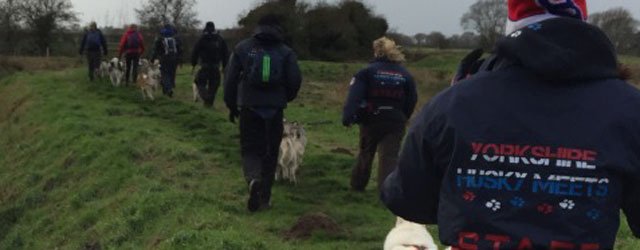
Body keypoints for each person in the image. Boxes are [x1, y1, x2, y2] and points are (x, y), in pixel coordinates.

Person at [381, 0, 640, 249]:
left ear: (513, 25)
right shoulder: (630, 108)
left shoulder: (451, 104)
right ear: (583, 21)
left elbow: (408, 201)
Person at [224, 14, 302, 212]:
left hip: (249, 107)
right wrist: (285, 98)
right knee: (270, 152)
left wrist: (232, 105)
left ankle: (253, 179)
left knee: (250, 149)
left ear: (258, 27)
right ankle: (265, 198)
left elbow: (230, 80)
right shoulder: (286, 52)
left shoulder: (243, 48)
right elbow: (295, 80)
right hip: (275, 110)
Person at [342, 37, 417, 192]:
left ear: (376, 51)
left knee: (366, 153)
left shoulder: (366, 72)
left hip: (371, 119)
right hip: (395, 120)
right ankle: (386, 192)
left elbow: (354, 97)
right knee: (389, 157)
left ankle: (357, 186)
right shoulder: (405, 75)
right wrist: (404, 116)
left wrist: (348, 117)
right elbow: (412, 99)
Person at [191, 21, 229, 107]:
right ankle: (209, 102)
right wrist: (224, 65)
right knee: (214, 85)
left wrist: (193, 63)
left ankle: (206, 97)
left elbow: (195, 51)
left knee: (199, 82)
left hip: (205, 66)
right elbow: (225, 53)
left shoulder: (202, 38)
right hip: (216, 66)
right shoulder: (220, 39)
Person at [152, 24, 182, 97]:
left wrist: (152, 58)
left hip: (164, 58)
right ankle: (167, 90)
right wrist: (180, 60)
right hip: (174, 58)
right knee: (172, 74)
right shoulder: (176, 38)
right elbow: (180, 50)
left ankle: (168, 89)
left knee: (165, 74)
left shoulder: (160, 38)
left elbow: (155, 49)